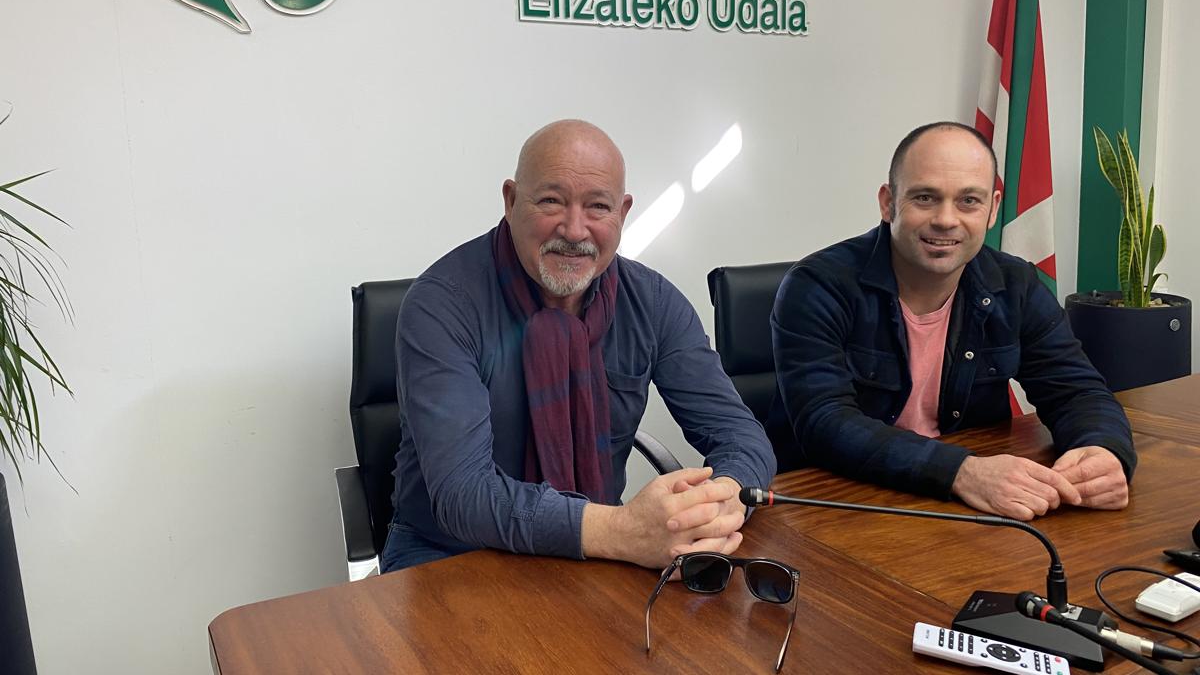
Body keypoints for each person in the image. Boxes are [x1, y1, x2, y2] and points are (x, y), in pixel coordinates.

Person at [381, 120, 775, 572]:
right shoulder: (443, 305)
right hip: (449, 553)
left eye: (597, 207)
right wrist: (621, 531)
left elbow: (740, 435)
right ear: (511, 201)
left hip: (596, 548)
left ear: (623, 213)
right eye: (551, 201)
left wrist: (721, 502)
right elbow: (463, 495)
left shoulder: (652, 302)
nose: (573, 229)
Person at [769, 121, 1136, 521]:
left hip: (967, 508)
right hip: (835, 502)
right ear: (888, 202)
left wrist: (1103, 449)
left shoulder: (1016, 285)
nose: (946, 219)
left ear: (994, 208)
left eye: (968, 201)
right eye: (925, 198)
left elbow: (1077, 392)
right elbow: (825, 424)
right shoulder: (818, 286)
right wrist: (961, 472)